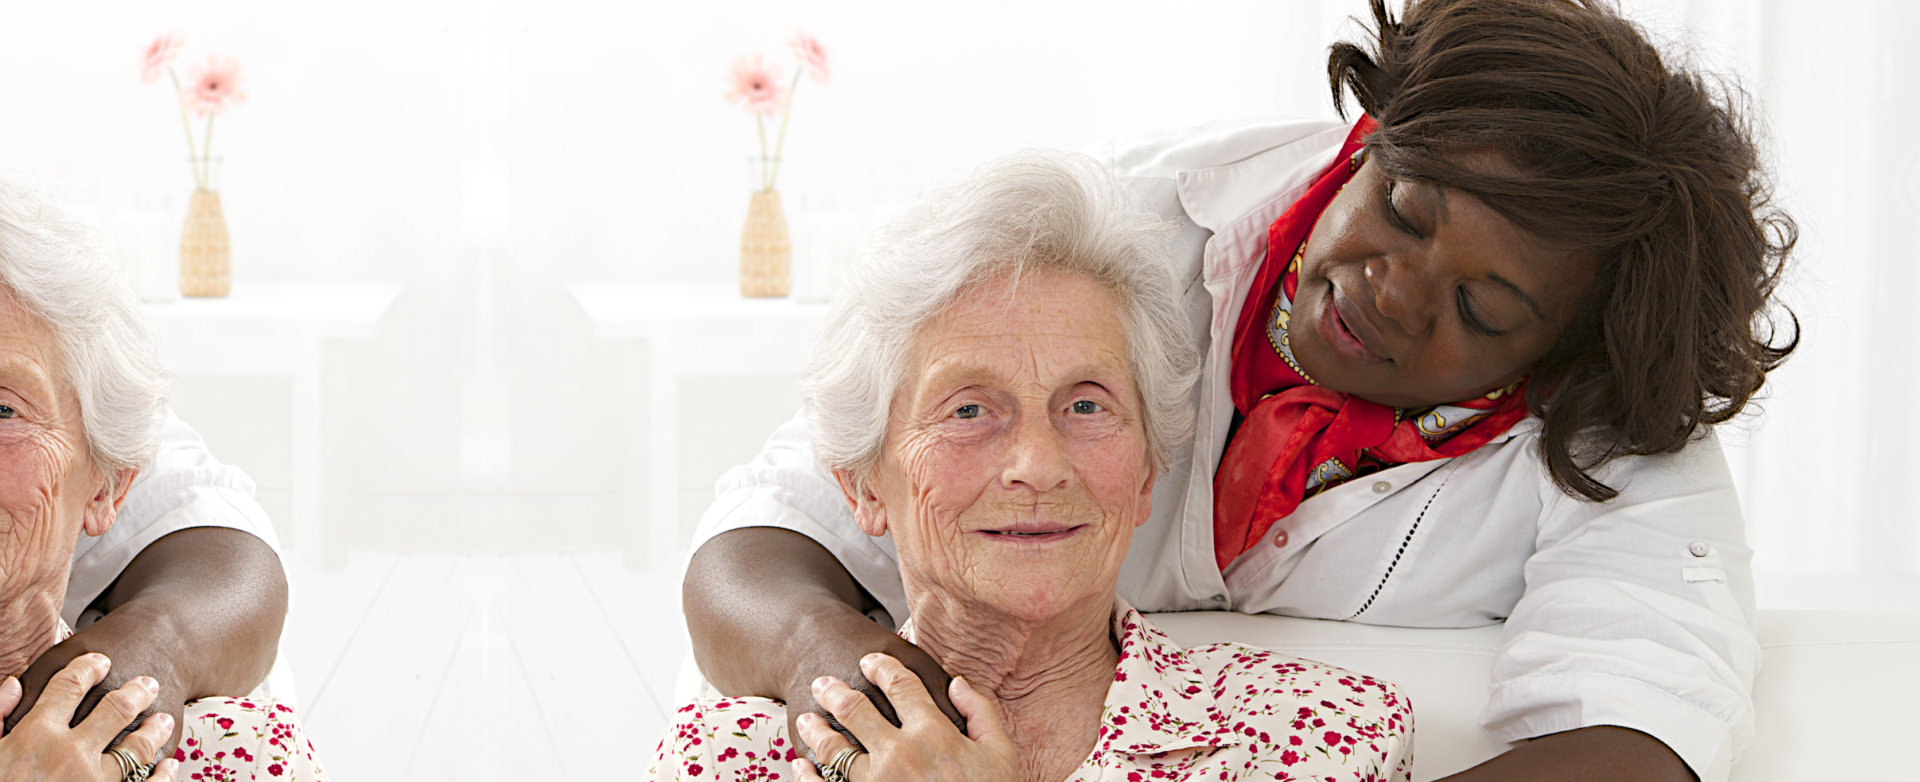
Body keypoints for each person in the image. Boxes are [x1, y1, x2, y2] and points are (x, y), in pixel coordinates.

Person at [683, 1, 1795, 781]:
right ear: (1371, 134)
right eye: (1402, 209)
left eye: (1485, 312)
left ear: (1567, 349)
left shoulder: (1620, 429)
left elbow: (1643, 736)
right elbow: (766, 529)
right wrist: (828, 662)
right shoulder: (1118, 233)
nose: (1396, 293)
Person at [653, 152, 1412, 782]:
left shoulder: (1319, 736)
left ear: (1147, 473)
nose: (1039, 467)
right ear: (860, 486)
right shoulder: (731, 757)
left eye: (1086, 406)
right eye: (969, 411)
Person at [0, 179, 325, 781]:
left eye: (3, 409)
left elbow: (213, 532)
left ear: (105, 490)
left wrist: (150, 654)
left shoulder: (240, 752)